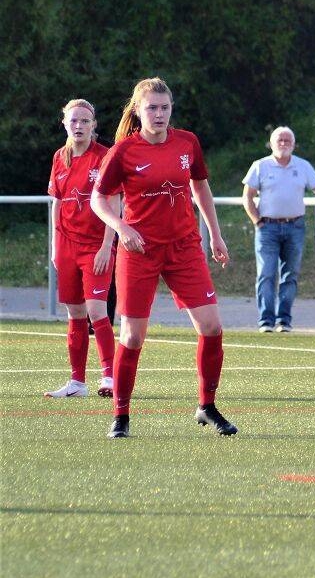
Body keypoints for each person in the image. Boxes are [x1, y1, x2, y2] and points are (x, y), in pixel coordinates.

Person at [91, 77, 237, 439]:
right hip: (139, 251)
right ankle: (121, 416)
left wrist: (215, 234)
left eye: (164, 107)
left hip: (184, 247)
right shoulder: (123, 151)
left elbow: (200, 185)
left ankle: (207, 406)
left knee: (212, 327)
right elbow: (99, 199)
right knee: (133, 336)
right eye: (152, 108)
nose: (159, 114)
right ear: (138, 111)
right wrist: (121, 227)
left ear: (171, 109)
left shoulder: (187, 142)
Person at [45, 99, 117, 399]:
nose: (79, 126)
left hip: (95, 245)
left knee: (97, 310)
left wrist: (107, 245)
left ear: (93, 125)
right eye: (73, 121)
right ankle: (77, 383)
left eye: (85, 121)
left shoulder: (105, 157)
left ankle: (110, 377)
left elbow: (114, 202)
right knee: (75, 312)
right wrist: (54, 245)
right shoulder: (59, 157)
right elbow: (57, 202)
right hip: (66, 245)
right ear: (64, 123)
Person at [242, 126, 315, 333]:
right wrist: (257, 221)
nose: (283, 143)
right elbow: (248, 196)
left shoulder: (303, 166)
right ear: (271, 143)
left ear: (294, 144)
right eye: (279, 140)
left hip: (295, 226)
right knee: (266, 274)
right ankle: (266, 321)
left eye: (288, 140)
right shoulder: (260, 166)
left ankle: (284, 320)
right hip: (267, 227)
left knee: (290, 275)